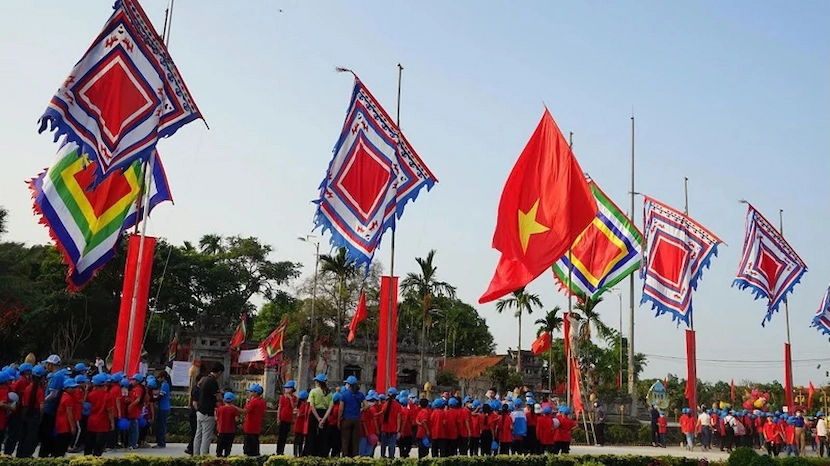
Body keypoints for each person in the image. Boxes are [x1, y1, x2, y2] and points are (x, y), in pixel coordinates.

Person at [193, 363, 223, 456]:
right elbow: (218, 397)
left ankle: (196, 454)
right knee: (206, 436)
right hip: (207, 412)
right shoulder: (213, 381)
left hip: (200, 410)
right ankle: (204, 456)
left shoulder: (204, 379)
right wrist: (223, 399)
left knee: (198, 435)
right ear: (219, 372)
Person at [39, 354, 65, 457]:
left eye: (47, 364)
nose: (46, 366)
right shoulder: (57, 375)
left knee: (47, 434)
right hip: (50, 409)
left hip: (50, 410)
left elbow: (53, 394)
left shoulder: (57, 376)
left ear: (51, 364)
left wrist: (42, 401)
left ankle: (45, 454)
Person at [84, 374, 113, 456]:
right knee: (99, 447)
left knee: (89, 446)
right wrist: (112, 423)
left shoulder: (90, 395)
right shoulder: (107, 396)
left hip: (91, 422)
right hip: (103, 423)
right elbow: (109, 411)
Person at [305, 374, 333, 457]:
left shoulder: (313, 391)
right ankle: (322, 454)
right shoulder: (329, 393)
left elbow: (312, 406)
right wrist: (323, 419)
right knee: (323, 436)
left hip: (315, 414)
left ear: (317, 382)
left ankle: (310, 453)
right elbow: (330, 407)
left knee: (311, 435)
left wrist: (318, 418)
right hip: (324, 413)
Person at [339, 375, 364, 457]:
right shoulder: (360, 394)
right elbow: (366, 405)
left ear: (348, 385)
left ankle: (345, 457)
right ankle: (354, 457)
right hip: (356, 420)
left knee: (345, 440)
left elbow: (341, 409)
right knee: (355, 441)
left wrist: (339, 420)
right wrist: (360, 410)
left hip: (347, 419)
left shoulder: (344, 395)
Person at [241, 384, 266, 456]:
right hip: (257, 426)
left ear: (256, 393)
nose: (250, 393)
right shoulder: (262, 401)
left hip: (250, 426)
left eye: (251, 391)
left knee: (248, 445)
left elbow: (246, 410)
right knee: (255, 443)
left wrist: (235, 408)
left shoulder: (254, 401)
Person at [276, 380, 297, 455]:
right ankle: (279, 451)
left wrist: (290, 399)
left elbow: (294, 407)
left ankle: (282, 450)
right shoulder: (282, 397)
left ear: (292, 389)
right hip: (282, 418)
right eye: (286, 388)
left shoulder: (294, 398)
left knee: (285, 436)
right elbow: (279, 408)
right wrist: (278, 418)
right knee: (280, 436)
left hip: (288, 419)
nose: (286, 390)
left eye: (288, 388)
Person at [215, 392, 238, 457]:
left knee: (220, 446)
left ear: (224, 400)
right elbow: (236, 419)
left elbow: (216, 418)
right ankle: (226, 457)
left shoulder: (220, 409)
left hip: (221, 431)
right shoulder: (234, 409)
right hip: (230, 431)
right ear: (233, 400)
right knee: (228, 447)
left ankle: (219, 457)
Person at [185, 374, 203, 455]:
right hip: (194, 414)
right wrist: (198, 411)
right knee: (196, 432)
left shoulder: (199, 389)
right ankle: (191, 448)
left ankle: (191, 447)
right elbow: (195, 403)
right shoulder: (196, 390)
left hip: (195, 414)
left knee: (196, 432)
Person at [154, 371, 171, 448]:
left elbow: (160, 396)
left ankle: (161, 443)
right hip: (163, 407)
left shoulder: (165, 385)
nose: (158, 379)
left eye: (159, 378)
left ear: (163, 378)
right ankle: (160, 442)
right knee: (160, 425)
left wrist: (153, 399)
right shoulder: (164, 385)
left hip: (163, 408)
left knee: (162, 426)